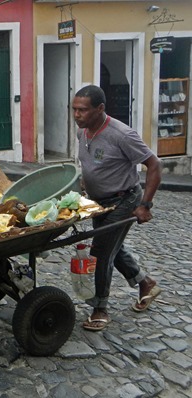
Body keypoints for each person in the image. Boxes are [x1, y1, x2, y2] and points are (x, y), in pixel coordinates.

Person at [72, 85, 162, 332]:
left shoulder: (122, 134)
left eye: (83, 110)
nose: (77, 115)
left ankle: (100, 308)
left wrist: (145, 205)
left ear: (100, 109)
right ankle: (146, 283)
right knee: (113, 246)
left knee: (101, 251)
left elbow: (155, 165)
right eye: (74, 109)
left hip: (125, 200)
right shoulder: (83, 132)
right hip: (98, 203)